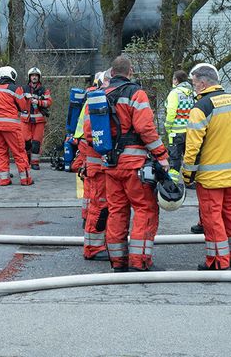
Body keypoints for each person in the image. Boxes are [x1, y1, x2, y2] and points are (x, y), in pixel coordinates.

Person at [84, 56, 170, 272]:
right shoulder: (136, 93)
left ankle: (118, 261)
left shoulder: (98, 95)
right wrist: (161, 155)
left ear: (112, 73)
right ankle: (139, 261)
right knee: (145, 209)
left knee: (116, 211)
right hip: (135, 164)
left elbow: (89, 134)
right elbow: (145, 128)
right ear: (130, 71)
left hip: (110, 165)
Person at [181, 63, 231, 271]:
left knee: (212, 218)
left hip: (210, 178)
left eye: (195, 83)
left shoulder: (201, 107)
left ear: (203, 84)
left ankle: (217, 261)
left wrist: (187, 175)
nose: (194, 87)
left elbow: (193, 146)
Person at [72, 70, 111, 260]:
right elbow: (92, 133)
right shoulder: (97, 100)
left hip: (93, 156)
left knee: (96, 201)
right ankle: (93, 248)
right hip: (97, 159)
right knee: (99, 203)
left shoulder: (96, 98)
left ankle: (98, 242)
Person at [163, 70, 193, 171]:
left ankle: (173, 180)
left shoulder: (174, 93)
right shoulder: (191, 93)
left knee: (174, 159)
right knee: (189, 158)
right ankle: (190, 179)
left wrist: (167, 127)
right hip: (189, 131)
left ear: (176, 80)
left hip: (176, 132)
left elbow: (171, 112)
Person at [23, 67, 53, 170]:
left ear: (39, 77)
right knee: (25, 141)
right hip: (26, 120)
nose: (34, 77)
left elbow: (49, 102)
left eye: (36, 75)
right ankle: (26, 160)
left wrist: (39, 102)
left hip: (39, 120)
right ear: (29, 77)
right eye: (32, 75)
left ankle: (35, 163)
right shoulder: (24, 89)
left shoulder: (44, 90)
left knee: (36, 142)